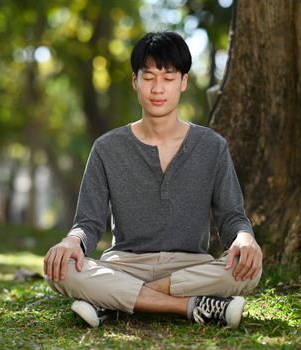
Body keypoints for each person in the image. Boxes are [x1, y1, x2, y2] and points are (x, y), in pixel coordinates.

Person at [44, 31, 262, 329]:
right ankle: (192, 307)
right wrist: (72, 241)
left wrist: (245, 237)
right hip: (124, 264)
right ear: (135, 81)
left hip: (188, 266)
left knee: (249, 269)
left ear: (183, 82)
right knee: (62, 268)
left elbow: (232, 217)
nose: (158, 88)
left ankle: (111, 300)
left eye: (168, 78)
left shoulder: (212, 146)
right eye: (148, 78)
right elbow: (89, 223)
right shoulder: (107, 148)